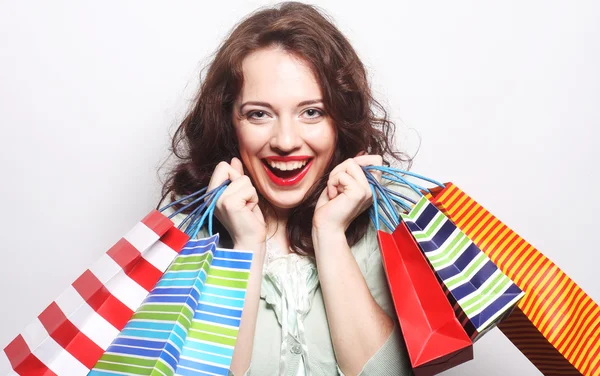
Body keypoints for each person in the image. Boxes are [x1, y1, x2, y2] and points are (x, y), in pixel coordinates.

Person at [159, 2, 413, 375]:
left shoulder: (391, 226)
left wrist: (330, 235)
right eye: (259, 114)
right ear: (229, 122)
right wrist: (246, 247)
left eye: (311, 111)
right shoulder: (180, 236)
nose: (286, 141)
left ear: (339, 120)